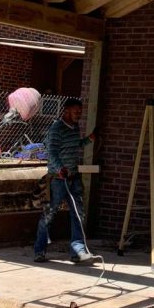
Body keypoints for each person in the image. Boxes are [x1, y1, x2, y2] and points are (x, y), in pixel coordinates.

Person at [34, 97, 96, 263]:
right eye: (76, 111)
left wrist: (89, 139)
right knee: (49, 215)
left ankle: (78, 251)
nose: (79, 115)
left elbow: (75, 144)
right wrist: (61, 168)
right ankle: (39, 250)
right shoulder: (57, 128)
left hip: (73, 178)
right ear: (66, 111)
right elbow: (52, 152)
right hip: (58, 180)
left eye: (80, 112)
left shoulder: (75, 127)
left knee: (78, 214)